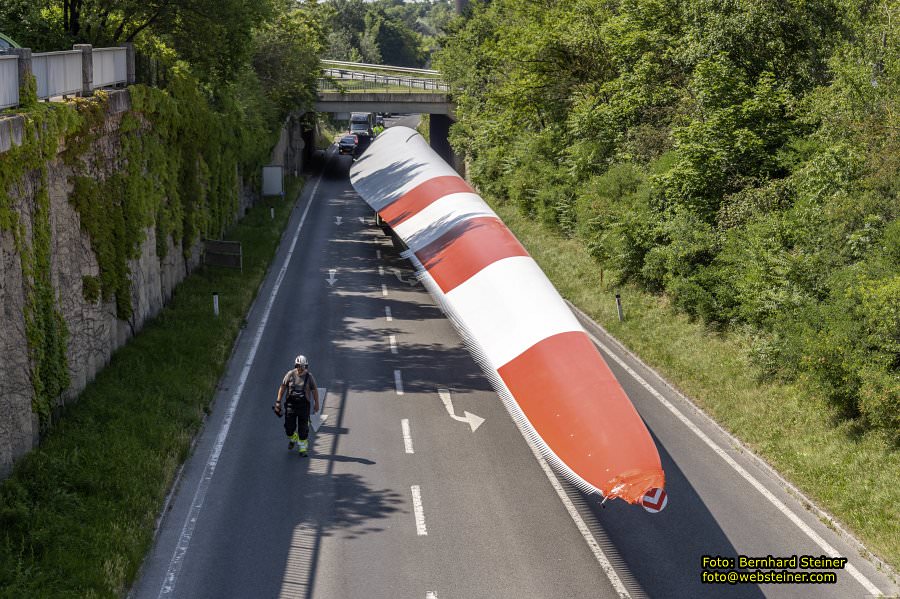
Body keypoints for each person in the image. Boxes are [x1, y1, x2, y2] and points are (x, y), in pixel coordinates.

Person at [273, 355, 320, 456]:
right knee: (289, 428)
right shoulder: (290, 374)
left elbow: (314, 390)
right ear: (296, 365)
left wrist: (316, 403)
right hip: (291, 406)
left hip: (304, 407)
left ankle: (303, 449)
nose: (301, 368)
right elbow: (282, 387)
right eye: (299, 366)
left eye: (303, 366)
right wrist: (278, 402)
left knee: (303, 429)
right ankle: (293, 437)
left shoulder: (309, 377)